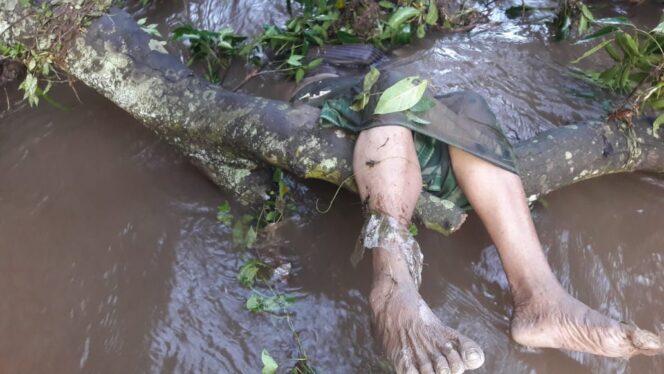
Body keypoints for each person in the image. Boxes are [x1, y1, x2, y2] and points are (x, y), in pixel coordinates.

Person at [291, 45, 662, 373]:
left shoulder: (379, 54)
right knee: (389, 83)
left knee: (469, 104)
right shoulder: (317, 50)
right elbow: (289, 97)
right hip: (329, 107)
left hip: (391, 136)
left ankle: (540, 297)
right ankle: (391, 285)